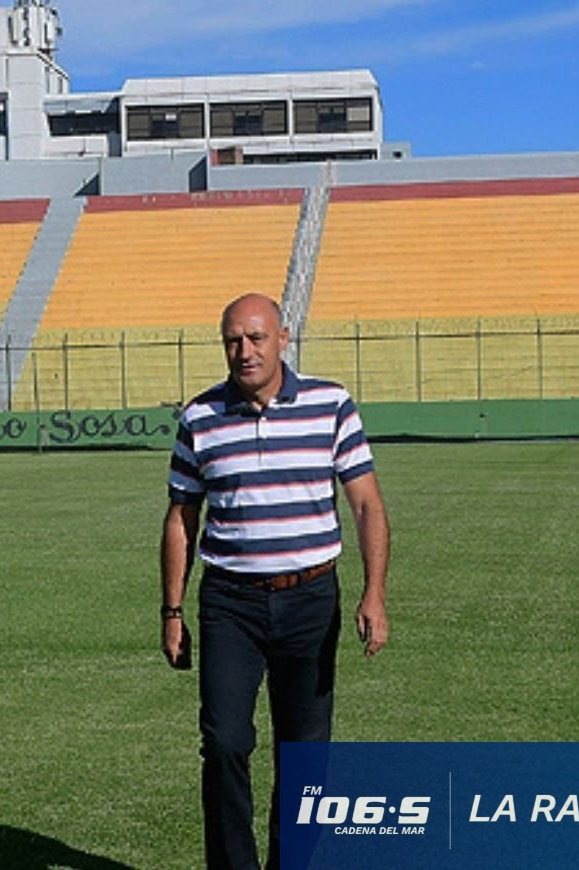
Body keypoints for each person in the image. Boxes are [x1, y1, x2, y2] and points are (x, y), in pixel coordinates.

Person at [160, 293, 390, 870]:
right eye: (233, 340)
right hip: (230, 603)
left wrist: (375, 593)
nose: (245, 351)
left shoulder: (330, 404)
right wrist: (172, 611)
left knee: (304, 753)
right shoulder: (200, 417)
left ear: (283, 338)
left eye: (257, 338)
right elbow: (181, 517)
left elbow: (366, 504)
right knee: (224, 742)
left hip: (310, 599)